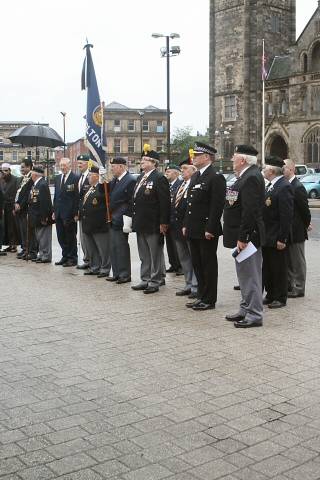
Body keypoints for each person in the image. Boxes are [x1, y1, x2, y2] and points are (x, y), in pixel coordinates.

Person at [223, 145, 265, 328]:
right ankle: (245, 308)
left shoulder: (252, 177)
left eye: (234, 157)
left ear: (242, 160)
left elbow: (250, 211)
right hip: (241, 234)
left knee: (250, 276)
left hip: (248, 237)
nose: (231, 160)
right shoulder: (244, 176)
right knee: (244, 275)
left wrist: (244, 236)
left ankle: (254, 314)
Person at [183, 142, 226, 310]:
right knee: (197, 264)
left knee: (208, 264)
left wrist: (210, 228)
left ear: (207, 157)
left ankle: (209, 299)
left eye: (197, 155)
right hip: (193, 228)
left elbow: (217, 206)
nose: (193, 158)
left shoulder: (215, 177)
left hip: (206, 229)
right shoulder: (196, 176)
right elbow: (190, 204)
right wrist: (186, 223)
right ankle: (201, 295)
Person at [131, 145, 170, 294]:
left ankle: (156, 280)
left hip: (153, 223)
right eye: (142, 159)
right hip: (141, 222)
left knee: (155, 253)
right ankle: (145, 279)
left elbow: (164, 203)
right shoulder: (141, 177)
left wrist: (163, 222)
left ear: (154, 163)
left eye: (145, 160)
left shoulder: (159, 178)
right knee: (144, 254)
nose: (142, 162)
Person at [262, 156, 294, 309]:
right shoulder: (271, 185)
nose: (263, 170)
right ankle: (270, 294)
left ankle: (280, 297)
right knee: (268, 267)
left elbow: (286, 216)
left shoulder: (284, 186)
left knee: (278, 268)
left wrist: (282, 238)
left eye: (265, 168)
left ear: (272, 171)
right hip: (268, 236)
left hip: (277, 236)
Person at [283, 159, 311, 298]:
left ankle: (299, 287)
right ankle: (289, 285)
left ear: (291, 169)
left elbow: (305, 211)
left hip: (297, 230)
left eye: (284, 168)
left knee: (298, 261)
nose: (282, 170)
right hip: (287, 231)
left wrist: (306, 225)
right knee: (288, 260)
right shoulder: (286, 185)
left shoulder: (298, 186)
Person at [107, 157, 136, 283]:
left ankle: (125, 274)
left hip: (122, 219)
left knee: (121, 247)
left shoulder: (130, 180)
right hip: (113, 219)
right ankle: (116, 273)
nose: (111, 169)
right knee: (113, 247)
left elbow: (130, 202)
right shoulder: (114, 181)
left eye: (113, 166)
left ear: (122, 166)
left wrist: (122, 216)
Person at [171, 162, 198, 298]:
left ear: (193, 170)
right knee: (183, 257)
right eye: (181, 169)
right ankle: (188, 283)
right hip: (177, 227)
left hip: (188, 226)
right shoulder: (181, 184)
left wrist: (186, 224)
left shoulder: (195, 184)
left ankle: (195, 285)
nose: (182, 171)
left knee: (193, 257)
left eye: (185, 168)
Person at [79, 162, 110, 277]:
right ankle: (95, 266)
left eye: (90, 175)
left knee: (103, 248)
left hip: (99, 224)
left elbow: (105, 197)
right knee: (92, 248)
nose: (88, 177)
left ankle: (105, 268)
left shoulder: (102, 188)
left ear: (97, 176)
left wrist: (103, 178)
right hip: (88, 224)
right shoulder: (90, 188)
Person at [53, 158, 79, 267]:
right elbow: (56, 196)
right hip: (59, 213)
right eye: (61, 165)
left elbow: (76, 198)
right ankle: (65, 256)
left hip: (69, 214)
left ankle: (72, 258)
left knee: (70, 237)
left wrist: (75, 213)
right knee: (61, 237)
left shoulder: (75, 178)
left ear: (70, 166)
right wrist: (54, 211)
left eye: (64, 165)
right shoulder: (58, 178)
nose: (62, 167)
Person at [28, 166, 53, 263]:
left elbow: (45, 202)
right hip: (36, 215)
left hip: (42, 216)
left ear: (34, 174)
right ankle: (42, 254)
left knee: (44, 237)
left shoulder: (42, 184)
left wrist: (44, 217)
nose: (31, 176)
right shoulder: (36, 184)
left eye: (31, 174)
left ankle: (46, 256)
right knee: (39, 237)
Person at [14, 158, 37, 260]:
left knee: (28, 232)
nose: (21, 169)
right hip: (20, 209)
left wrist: (20, 205)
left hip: (26, 209)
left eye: (23, 167)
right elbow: (19, 193)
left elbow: (28, 194)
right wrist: (16, 203)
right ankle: (24, 248)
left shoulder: (31, 178)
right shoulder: (23, 178)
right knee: (22, 231)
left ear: (29, 167)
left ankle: (30, 250)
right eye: (21, 167)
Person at [164, 164, 183, 275]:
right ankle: (173, 264)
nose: (166, 173)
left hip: (176, 219)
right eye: (166, 172)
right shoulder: (167, 185)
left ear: (176, 173)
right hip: (168, 219)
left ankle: (180, 266)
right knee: (170, 244)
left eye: (169, 172)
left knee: (177, 244)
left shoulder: (179, 185)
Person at [0, 163, 19, 252]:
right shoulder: (1, 180)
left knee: (12, 226)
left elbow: (17, 193)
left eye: (6, 170)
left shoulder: (15, 179)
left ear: (10, 171)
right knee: (6, 226)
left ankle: (14, 245)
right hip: (4, 206)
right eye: (2, 170)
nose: (4, 172)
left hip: (12, 206)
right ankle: (9, 244)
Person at [76, 154, 90, 269]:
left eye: (81, 163)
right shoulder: (80, 177)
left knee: (88, 238)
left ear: (87, 163)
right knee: (83, 237)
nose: (79, 165)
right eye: (78, 163)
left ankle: (91, 260)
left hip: (89, 213)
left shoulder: (91, 176)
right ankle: (87, 259)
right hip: (81, 213)